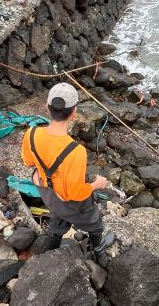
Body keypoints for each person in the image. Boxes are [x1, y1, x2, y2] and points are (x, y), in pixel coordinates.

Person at [21, 82, 114, 265]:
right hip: (72, 201)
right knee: (94, 224)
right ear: (74, 112)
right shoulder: (76, 151)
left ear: (47, 107)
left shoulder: (31, 134)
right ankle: (99, 252)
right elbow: (75, 193)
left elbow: (28, 162)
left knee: (57, 221)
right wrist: (97, 184)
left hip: (50, 195)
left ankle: (50, 254)